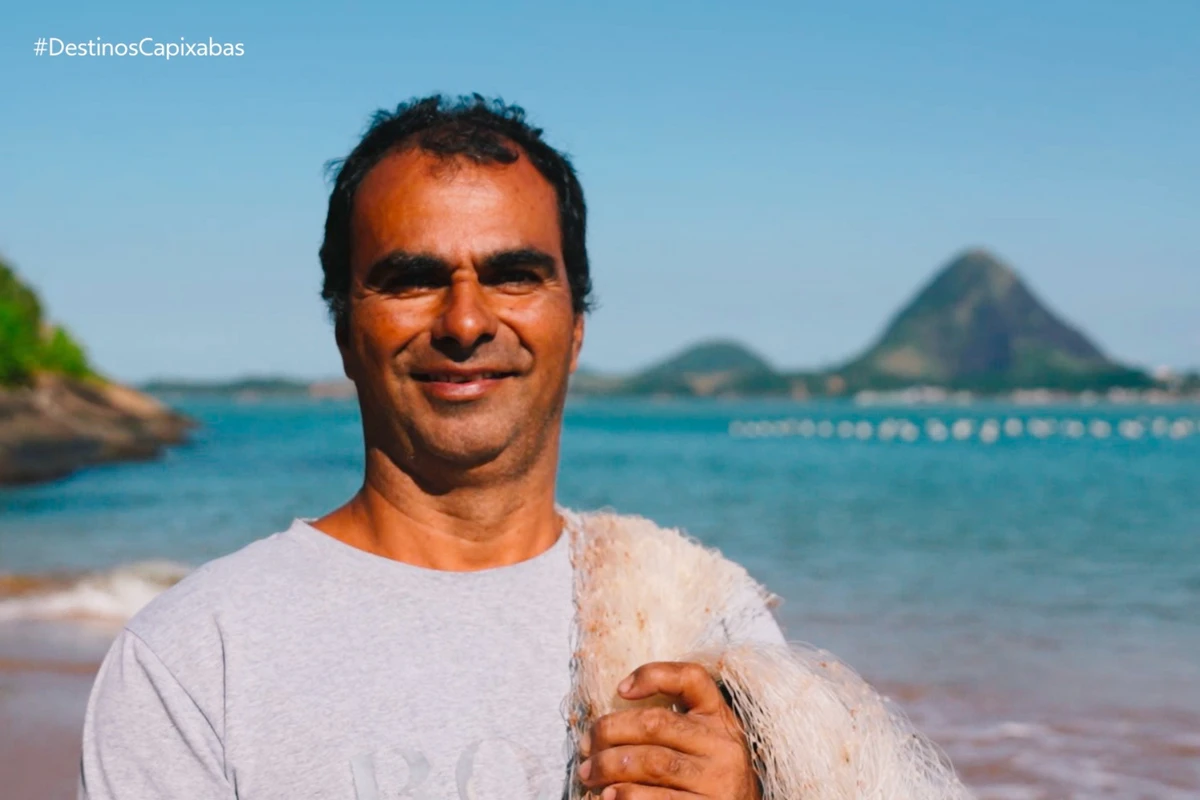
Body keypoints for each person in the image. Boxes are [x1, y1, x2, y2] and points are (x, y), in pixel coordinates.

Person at [77, 94, 781, 800]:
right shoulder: (194, 657)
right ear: (345, 334)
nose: (466, 322)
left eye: (513, 275)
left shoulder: (699, 615)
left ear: (575, 329)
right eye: (412, 280)